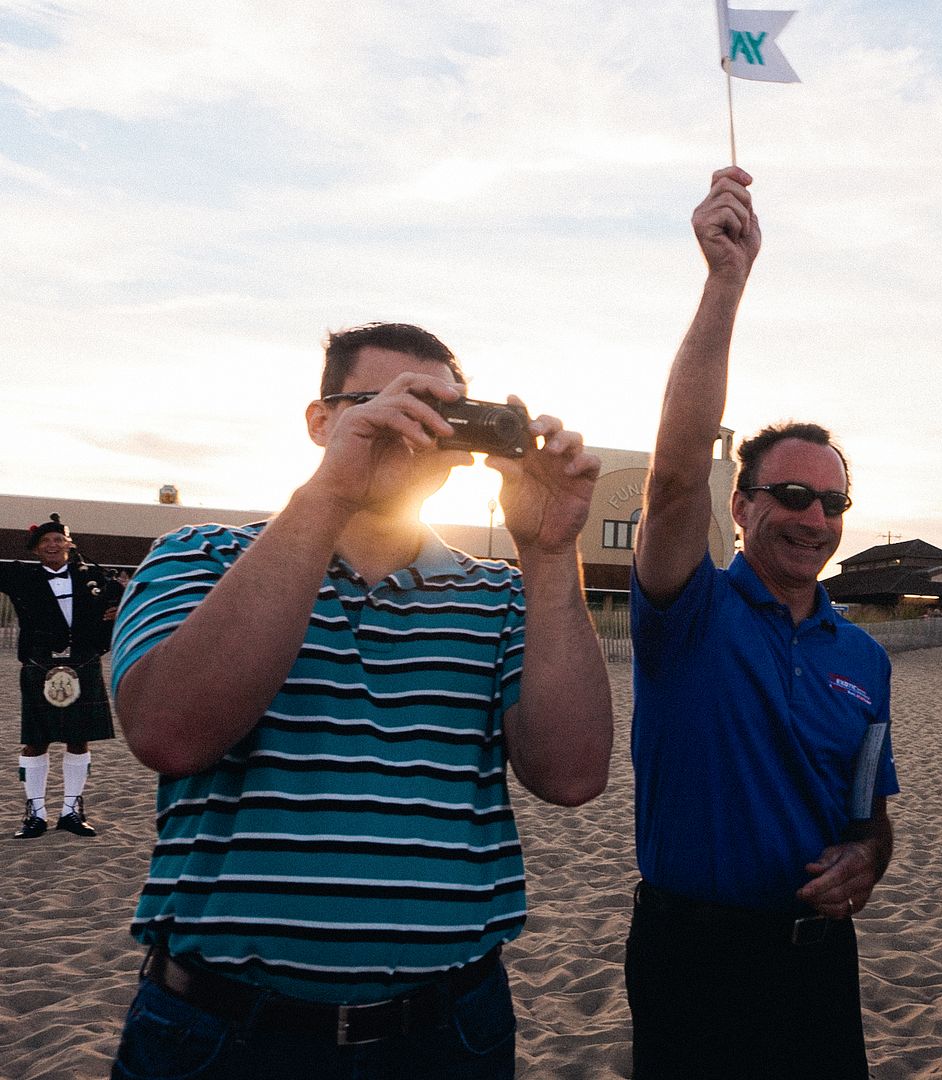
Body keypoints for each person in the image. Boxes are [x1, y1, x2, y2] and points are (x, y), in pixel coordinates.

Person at [106, 322, 613, 1079]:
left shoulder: (504, 595)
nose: (411, 431)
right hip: (220, 1032)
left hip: (448, 1033)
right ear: (321, 421)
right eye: (383, 405)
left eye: (438, 415)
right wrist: (332, 490)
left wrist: (547, 555)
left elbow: (571, 775)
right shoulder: (199, 557)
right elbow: (170, 734)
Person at [625, 167, 897, 1079]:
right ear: (738, 506)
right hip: (689, 953)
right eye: (789, 495)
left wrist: (868, 861)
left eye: (832, 502)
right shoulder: (688, 610)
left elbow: (869, 815)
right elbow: (667, 482)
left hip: (816, 960)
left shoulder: (862, 655)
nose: (813, 520)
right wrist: (724, 285)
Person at [2, 513, 120, 839]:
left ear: (68, 544)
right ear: (36, 550)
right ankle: (35, 815)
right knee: (35, 742)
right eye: (45, 542)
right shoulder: (20, 576)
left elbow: (123, 595)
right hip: (39, 666)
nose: (52, 545)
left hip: (83, 664)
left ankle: (71, 812)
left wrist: (115, 609)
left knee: (78, 740)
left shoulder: (92, 578)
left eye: (58, 540)